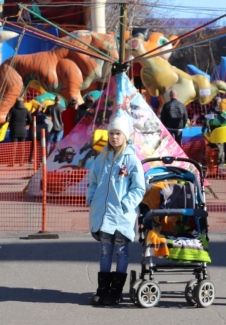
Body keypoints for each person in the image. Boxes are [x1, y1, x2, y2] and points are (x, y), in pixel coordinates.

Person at [87, 113, 145, 306]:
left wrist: (126, 204)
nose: (114, 137)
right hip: (103, 215)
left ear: (125, 136)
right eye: (111, 133)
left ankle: (116, 290)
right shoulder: (101, 159)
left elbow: (138, 188)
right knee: (105, 250)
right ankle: (102, 289)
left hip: (121, 215)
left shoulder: (131, 160)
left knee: (121, 250)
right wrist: (91, 198)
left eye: (118, 133)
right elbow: (93, 182)